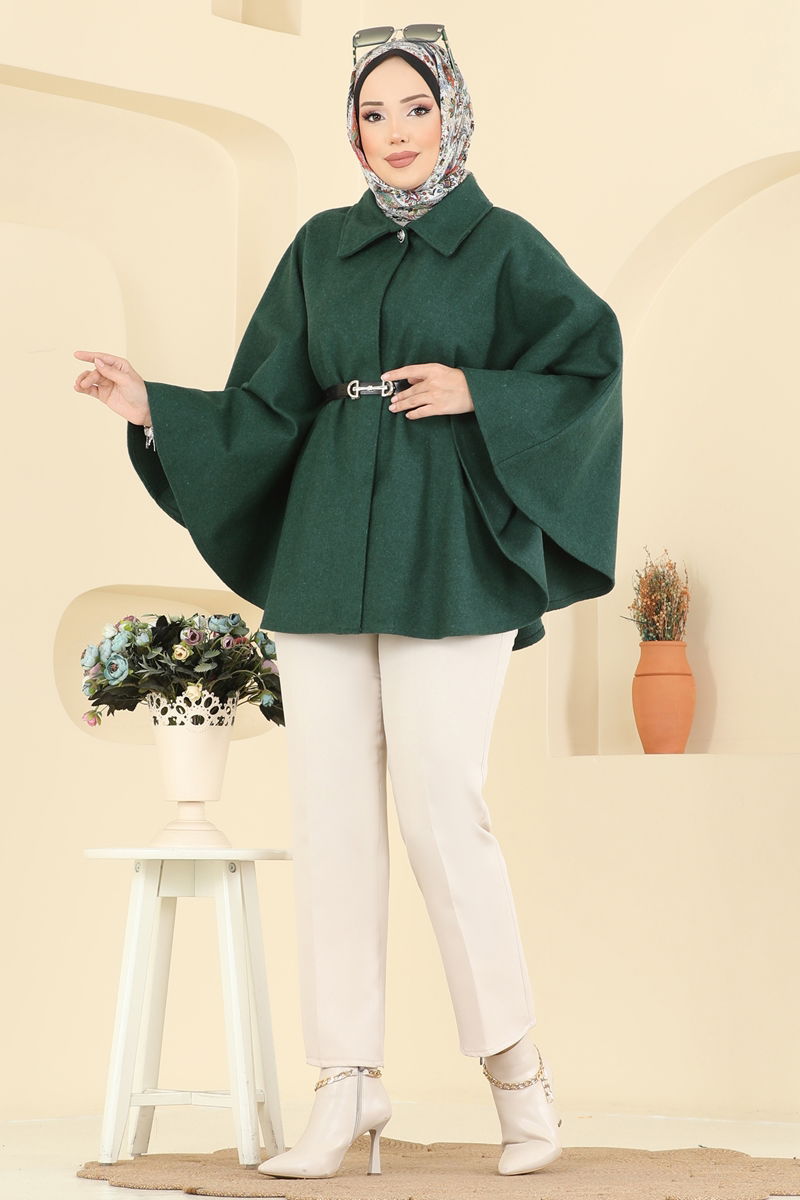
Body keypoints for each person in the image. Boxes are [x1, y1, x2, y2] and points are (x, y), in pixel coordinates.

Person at [74, 24, 623, 1180]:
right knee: (328, 818)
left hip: (451, 549)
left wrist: (479, 390)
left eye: (415, 108)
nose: (396, 132)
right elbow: (267, 404)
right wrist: (157, 409)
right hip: (327, 547)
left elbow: (589, 371)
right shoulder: (321, 246)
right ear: (353, 130)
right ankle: (346, 1084)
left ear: (451, 115)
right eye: (374, 114)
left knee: (441, 810)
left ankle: (517, 1075)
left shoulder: (504, 247)